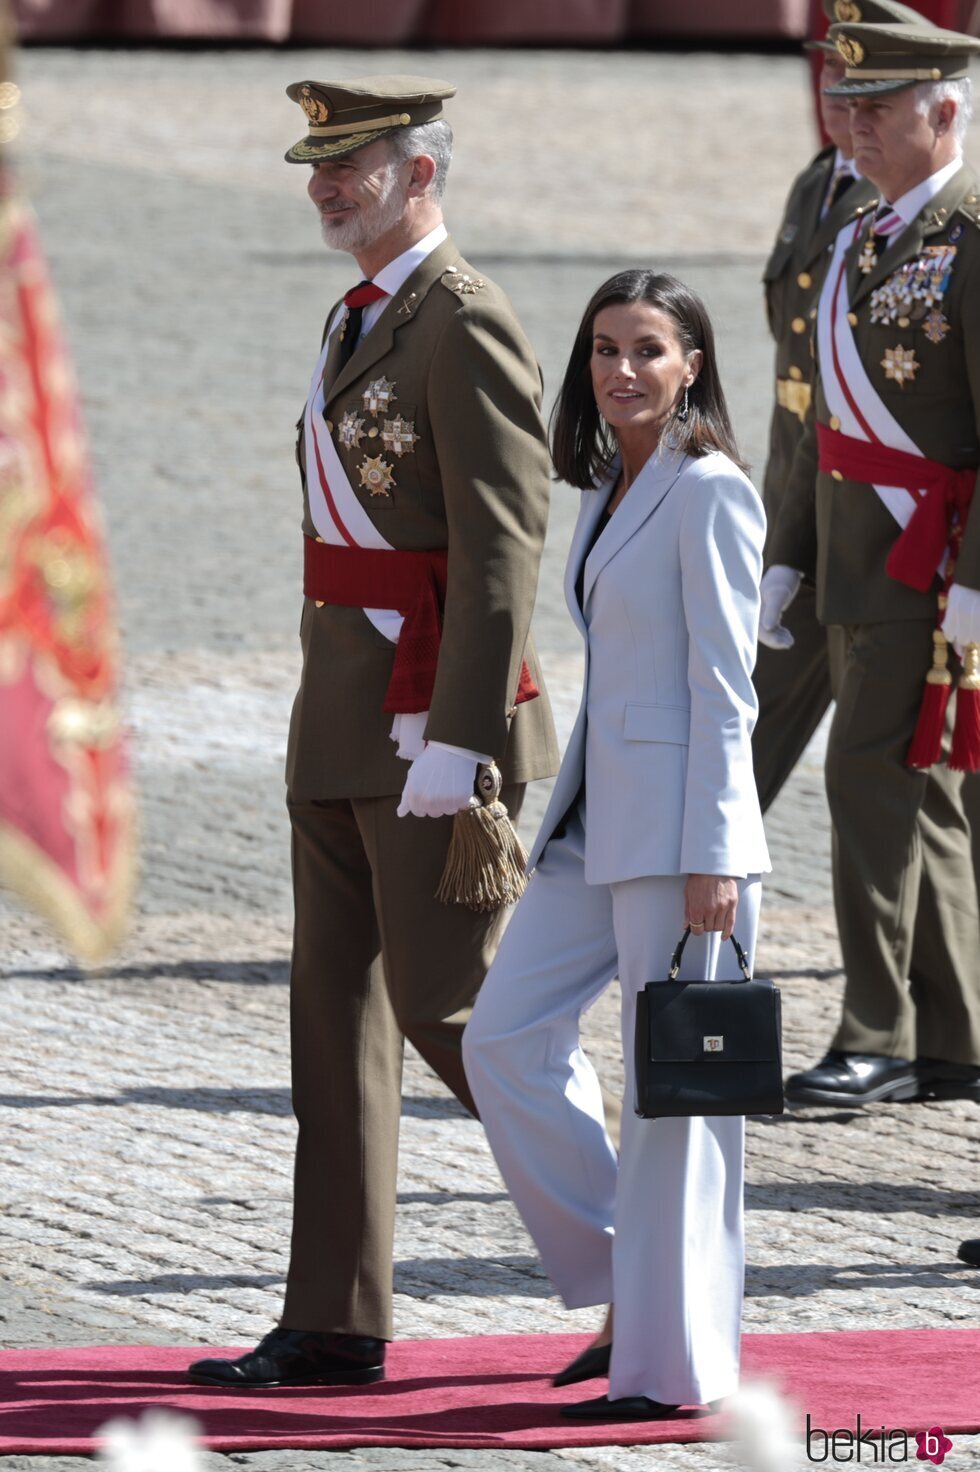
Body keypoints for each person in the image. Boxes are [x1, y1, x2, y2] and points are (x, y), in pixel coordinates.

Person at [189, 76, 558, 1389]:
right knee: (332, 1026)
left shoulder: (460, 321)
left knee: (459, 1019)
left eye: (356, 166)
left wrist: (466, 739)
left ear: (424, 173)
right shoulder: (361, 317)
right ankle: (336, 1315)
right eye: (319, 168)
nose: (327, 187)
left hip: (427, 734)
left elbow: (506, 542)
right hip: (343, 719)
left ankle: (649, 1250)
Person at [463, 270, 770, 1422]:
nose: (621, 370)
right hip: (596, 818)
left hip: (682, 834)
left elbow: (726, 688)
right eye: (603, 347)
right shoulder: (604, 488)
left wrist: (717, 854)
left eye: (648, 348)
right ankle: (619, 1273)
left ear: (692, 362)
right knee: (502, 1037)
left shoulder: (709, 491)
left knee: (675, 1098)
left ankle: (666, 1365)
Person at [763, 21, 980, 1108]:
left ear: (944, 111)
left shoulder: (968, 234)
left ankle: (876, 1027)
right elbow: (820, 418)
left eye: (876, 108)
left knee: (870, 786)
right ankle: (948, 1035)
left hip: (926, 563)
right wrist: (786, 556)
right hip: (854, 555)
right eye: (845, 106)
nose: (850, 125)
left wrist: (974, 583)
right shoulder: (855, 228)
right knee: (918, 795)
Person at [753, 0, 924, 812]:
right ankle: (683, 911)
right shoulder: (816, 182)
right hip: (798, 494)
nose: (836, 94)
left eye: (859, 81)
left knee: (898, 765)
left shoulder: (897, 209)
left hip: (876, 523)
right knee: (743, 724)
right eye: (828, 68)